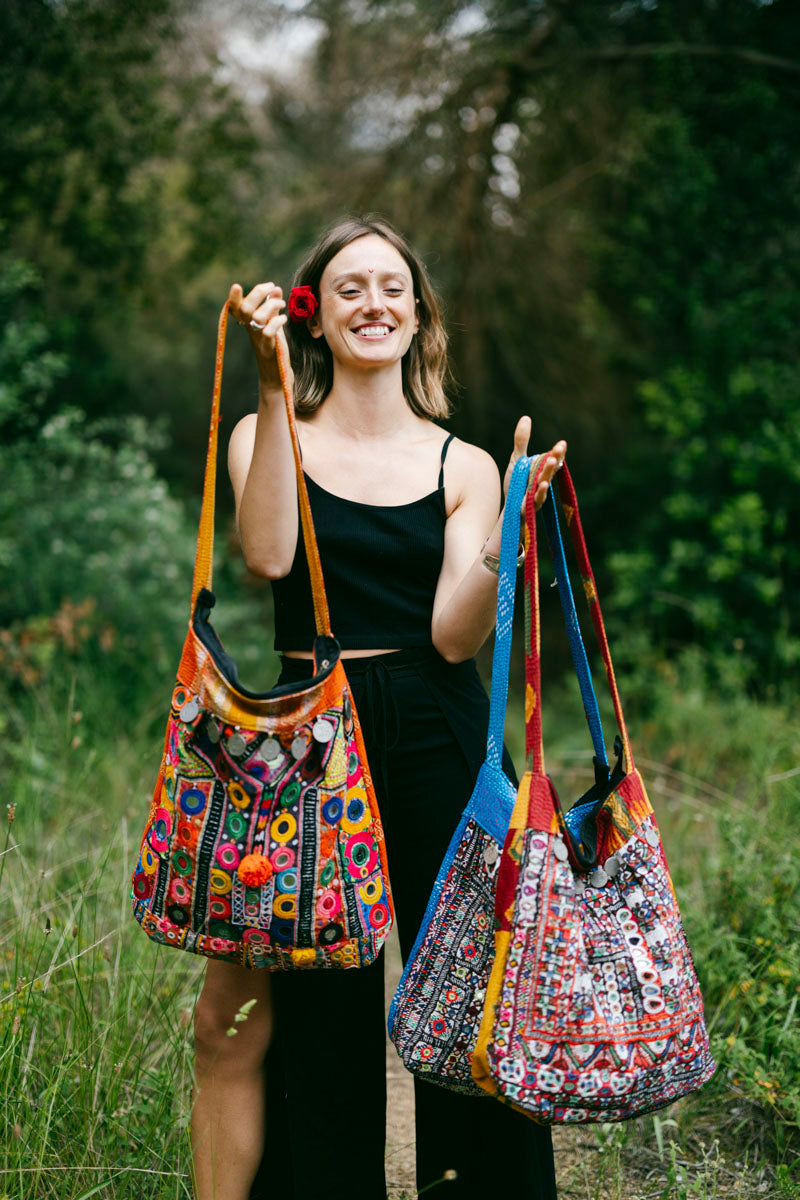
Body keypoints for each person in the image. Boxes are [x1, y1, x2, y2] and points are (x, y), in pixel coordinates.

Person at [190, 214, 566, 1200]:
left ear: (416, 316)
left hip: (437, 719)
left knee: (470, 999)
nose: (374, 302)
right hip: (309, 739)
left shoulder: (464, 464)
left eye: (392, 286)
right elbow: (266, 555)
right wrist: (272, 391)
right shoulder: (263, 433)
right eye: (349, 286)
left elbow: (454, 635)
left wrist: (507, 536)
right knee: (318, 1019)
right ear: (311, 316)